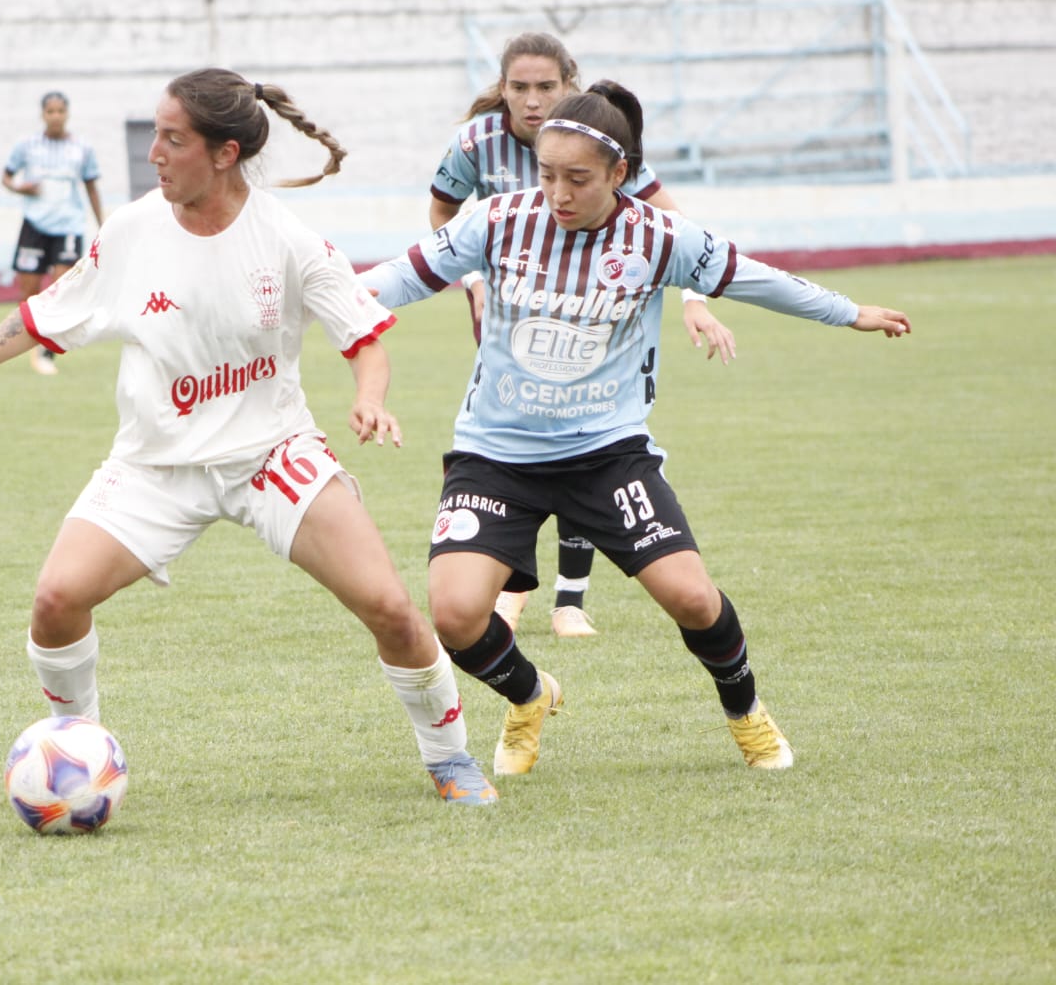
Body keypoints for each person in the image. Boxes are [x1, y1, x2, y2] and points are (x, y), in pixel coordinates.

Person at [0, 68, 497, 806]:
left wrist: (369, 400)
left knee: (391, 609)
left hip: (272, 456)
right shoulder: (130, 230)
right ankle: (80, 753)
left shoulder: (286, 239)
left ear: (223, 154)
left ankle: (449, 761)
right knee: (57, 598)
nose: (153, 152)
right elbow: (47, 311)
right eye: (155, 133)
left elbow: (366, 337)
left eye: (172, 138)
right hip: (157, 464)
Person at [362, 80, 910, 777]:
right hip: (494, 456)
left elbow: (755, 277)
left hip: (607, 455)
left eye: (577, 179)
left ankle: (746, 713)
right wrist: (312, 295)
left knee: (690, 596)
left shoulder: (660, 237)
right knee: (456, 614)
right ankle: (531, 696)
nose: (557, 193)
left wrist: (848, 311)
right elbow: (399, 278)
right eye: (547, 174)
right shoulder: (497, 220)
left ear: (620, 175)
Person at [430, 33, 738, 640]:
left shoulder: (600, 143)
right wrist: (472, 279)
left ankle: (569, 600)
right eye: (519, 87)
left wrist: (695, 300)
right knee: (524, 437)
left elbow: (673, 225)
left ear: (569, 84)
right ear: (502, 88)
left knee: (583, 434)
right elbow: (442, 211)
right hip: (515, 313)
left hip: (594, 306)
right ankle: (513, 589)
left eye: (547, 86)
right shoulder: (475, 144)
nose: (533, 100)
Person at [2, 92, 106, 375]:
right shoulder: (27, 146)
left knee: (61, 290)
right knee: (29, 291)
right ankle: (21, 343)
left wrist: (103, 226)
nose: (56, 116)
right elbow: (6, 176)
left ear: (67, 114)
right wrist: (19, 187)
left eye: (60, 111)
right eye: (51, 111)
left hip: (69, 226)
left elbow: (91, 187)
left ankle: (46, 352)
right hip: (35, 225)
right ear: (43, 115)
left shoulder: (82, 148)